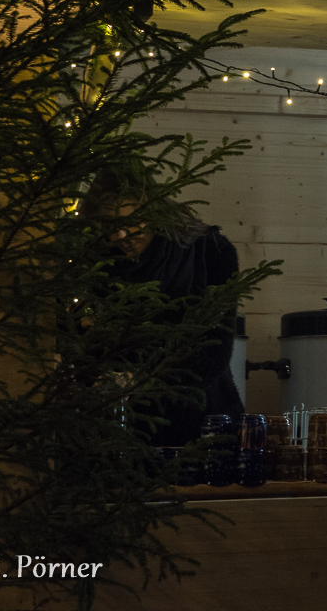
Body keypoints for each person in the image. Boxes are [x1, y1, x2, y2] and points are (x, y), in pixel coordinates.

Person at [79, 166, 243, 447]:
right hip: (120, 433)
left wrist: (142, 379)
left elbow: (214, 350)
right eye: (108, 226)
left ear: (153, 210)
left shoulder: (209, 252)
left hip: (201, 425)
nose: (120, 236)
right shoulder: (96, 265)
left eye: (131, 222)